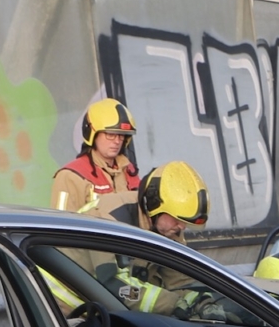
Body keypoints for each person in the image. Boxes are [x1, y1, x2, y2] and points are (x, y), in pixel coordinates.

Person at [110, 160, 209, 311]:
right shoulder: (111, 219)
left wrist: (204, 303)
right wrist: (172, 304)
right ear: (154, 205)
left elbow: (180, 282)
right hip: (68, 319)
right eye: (177, 219)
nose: (182, 227)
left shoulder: (167, 228)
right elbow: (114, 285)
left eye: (184, 221)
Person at [54, 98, 141, 220]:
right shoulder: (70, 176)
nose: (117, 141)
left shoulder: (129, 170)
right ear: (92, 133)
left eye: (121, 135)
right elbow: (61, 225)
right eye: (110, 134)